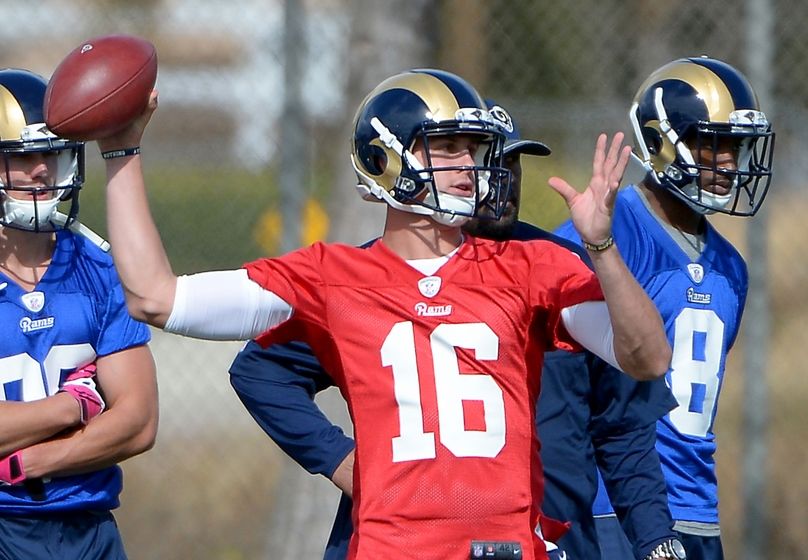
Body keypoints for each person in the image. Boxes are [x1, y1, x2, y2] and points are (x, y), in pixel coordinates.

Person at [96, 68, 671, 560]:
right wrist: (121, 152)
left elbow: (647, 358)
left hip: (505, 546)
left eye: (472, 149)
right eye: (448, 148)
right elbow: (156, 298)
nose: (469, 165)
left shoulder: (529, 264)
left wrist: (602, 248)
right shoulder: (333, 276)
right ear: (384, 159)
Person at [554, 56, 775, 560]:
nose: (727, 162)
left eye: (735, 147)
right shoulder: (605, 236)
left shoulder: (731, 267)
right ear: (659, 142)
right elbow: (564, 388)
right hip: (615, 504)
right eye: (711, 143)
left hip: (698, 504)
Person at [0, 68, 158, 559]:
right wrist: (75, 406)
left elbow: (138, 421)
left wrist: (31, 460)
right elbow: (110, 412)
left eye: (51, 153)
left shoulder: (99, 268)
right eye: (25, 157)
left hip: (88, 531)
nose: (43, 170)